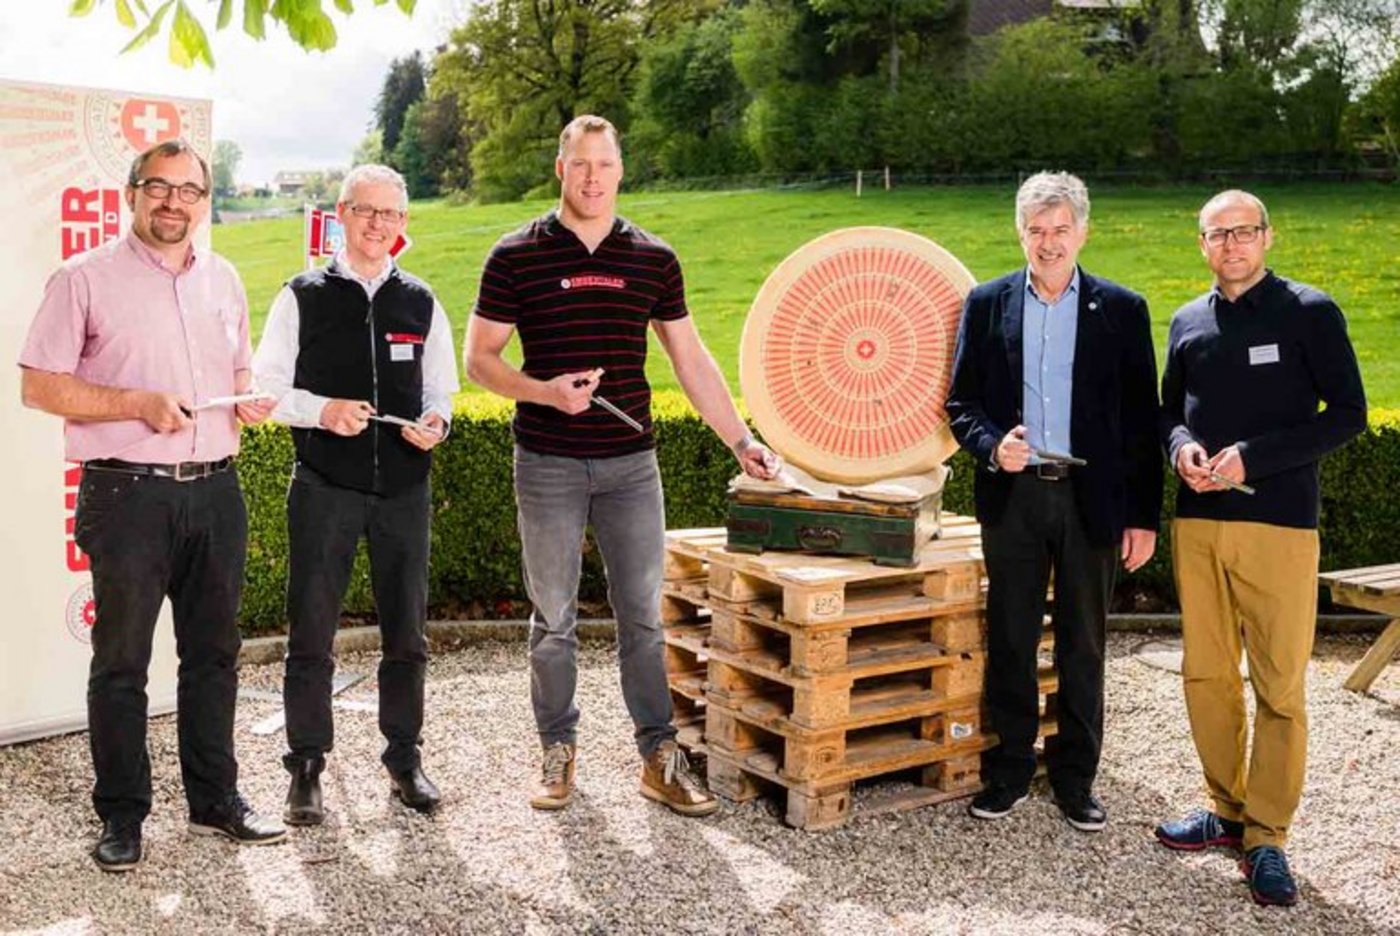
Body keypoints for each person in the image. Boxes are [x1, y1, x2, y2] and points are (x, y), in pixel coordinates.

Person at [465, 114, 778, 816]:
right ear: (560, 169)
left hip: (631, 467)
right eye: (580, 164)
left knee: (642, 616)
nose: (592, 178)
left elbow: (690, 358)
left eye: (604, 165)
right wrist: (545, 392)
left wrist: (741, 440)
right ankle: (557, 749)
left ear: (620, 170)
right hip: (547, 462)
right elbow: (479, 360)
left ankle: (659, 756)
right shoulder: (514, 255)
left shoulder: (652, 258)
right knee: (554, 617)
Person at [18, 139, 286, 872]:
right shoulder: (82, 278)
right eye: (159, 187)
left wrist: (249, 397)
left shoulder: (223, 278)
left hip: (217, 491)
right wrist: (136, 403)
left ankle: (215, 799)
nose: (174, 202)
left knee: (214, 655)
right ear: (131, 193)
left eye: (189, 190)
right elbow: (39, 385)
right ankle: (123, 814)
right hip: (127, 494)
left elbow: (238, 371)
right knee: (122, 663)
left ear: (205, 200)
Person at [1154, 190, 1366, 907]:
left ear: (1267, 237)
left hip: (1279, 523)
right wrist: (1180, 449)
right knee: (1207, 674)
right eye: (1218, 234)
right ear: (1202, 244)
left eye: (1244, 231)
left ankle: (1268, 834)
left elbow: (1348, 415)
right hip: (1198, 523)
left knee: (1278, 685)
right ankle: (1227, 809)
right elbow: (1168, 412)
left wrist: (1254, 455)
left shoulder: (1310, 312)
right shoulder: (1188, 321)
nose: (1232, 244)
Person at [946, 171, 1162, 832]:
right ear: (1020, 233)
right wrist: (992, 446)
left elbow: (1142, 423)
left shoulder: (1122, 309)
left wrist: (1143, 517)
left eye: (1060, 229)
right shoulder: (987, 303)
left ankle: (1076, 779)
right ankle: (1010, 769)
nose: (1049, 242)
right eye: (1037, 230)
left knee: (1083, 644)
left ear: (1083, 233)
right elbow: (961, 403)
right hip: (1013, 497)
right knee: (1011, 638)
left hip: (1091, 499)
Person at [252, 164, 459, 823]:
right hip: (325, 487)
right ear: (341, 214)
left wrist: (437, 423)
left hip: (404, 490)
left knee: (408, 634)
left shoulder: (420, 300)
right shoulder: (301, 296)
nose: (377, 224)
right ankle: (306, 766)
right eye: (366, 210)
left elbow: (441, 390)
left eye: (390, 213)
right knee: (312, 632)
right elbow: (265, 389)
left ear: (403, 222)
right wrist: (322, 411)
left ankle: (404, 759)